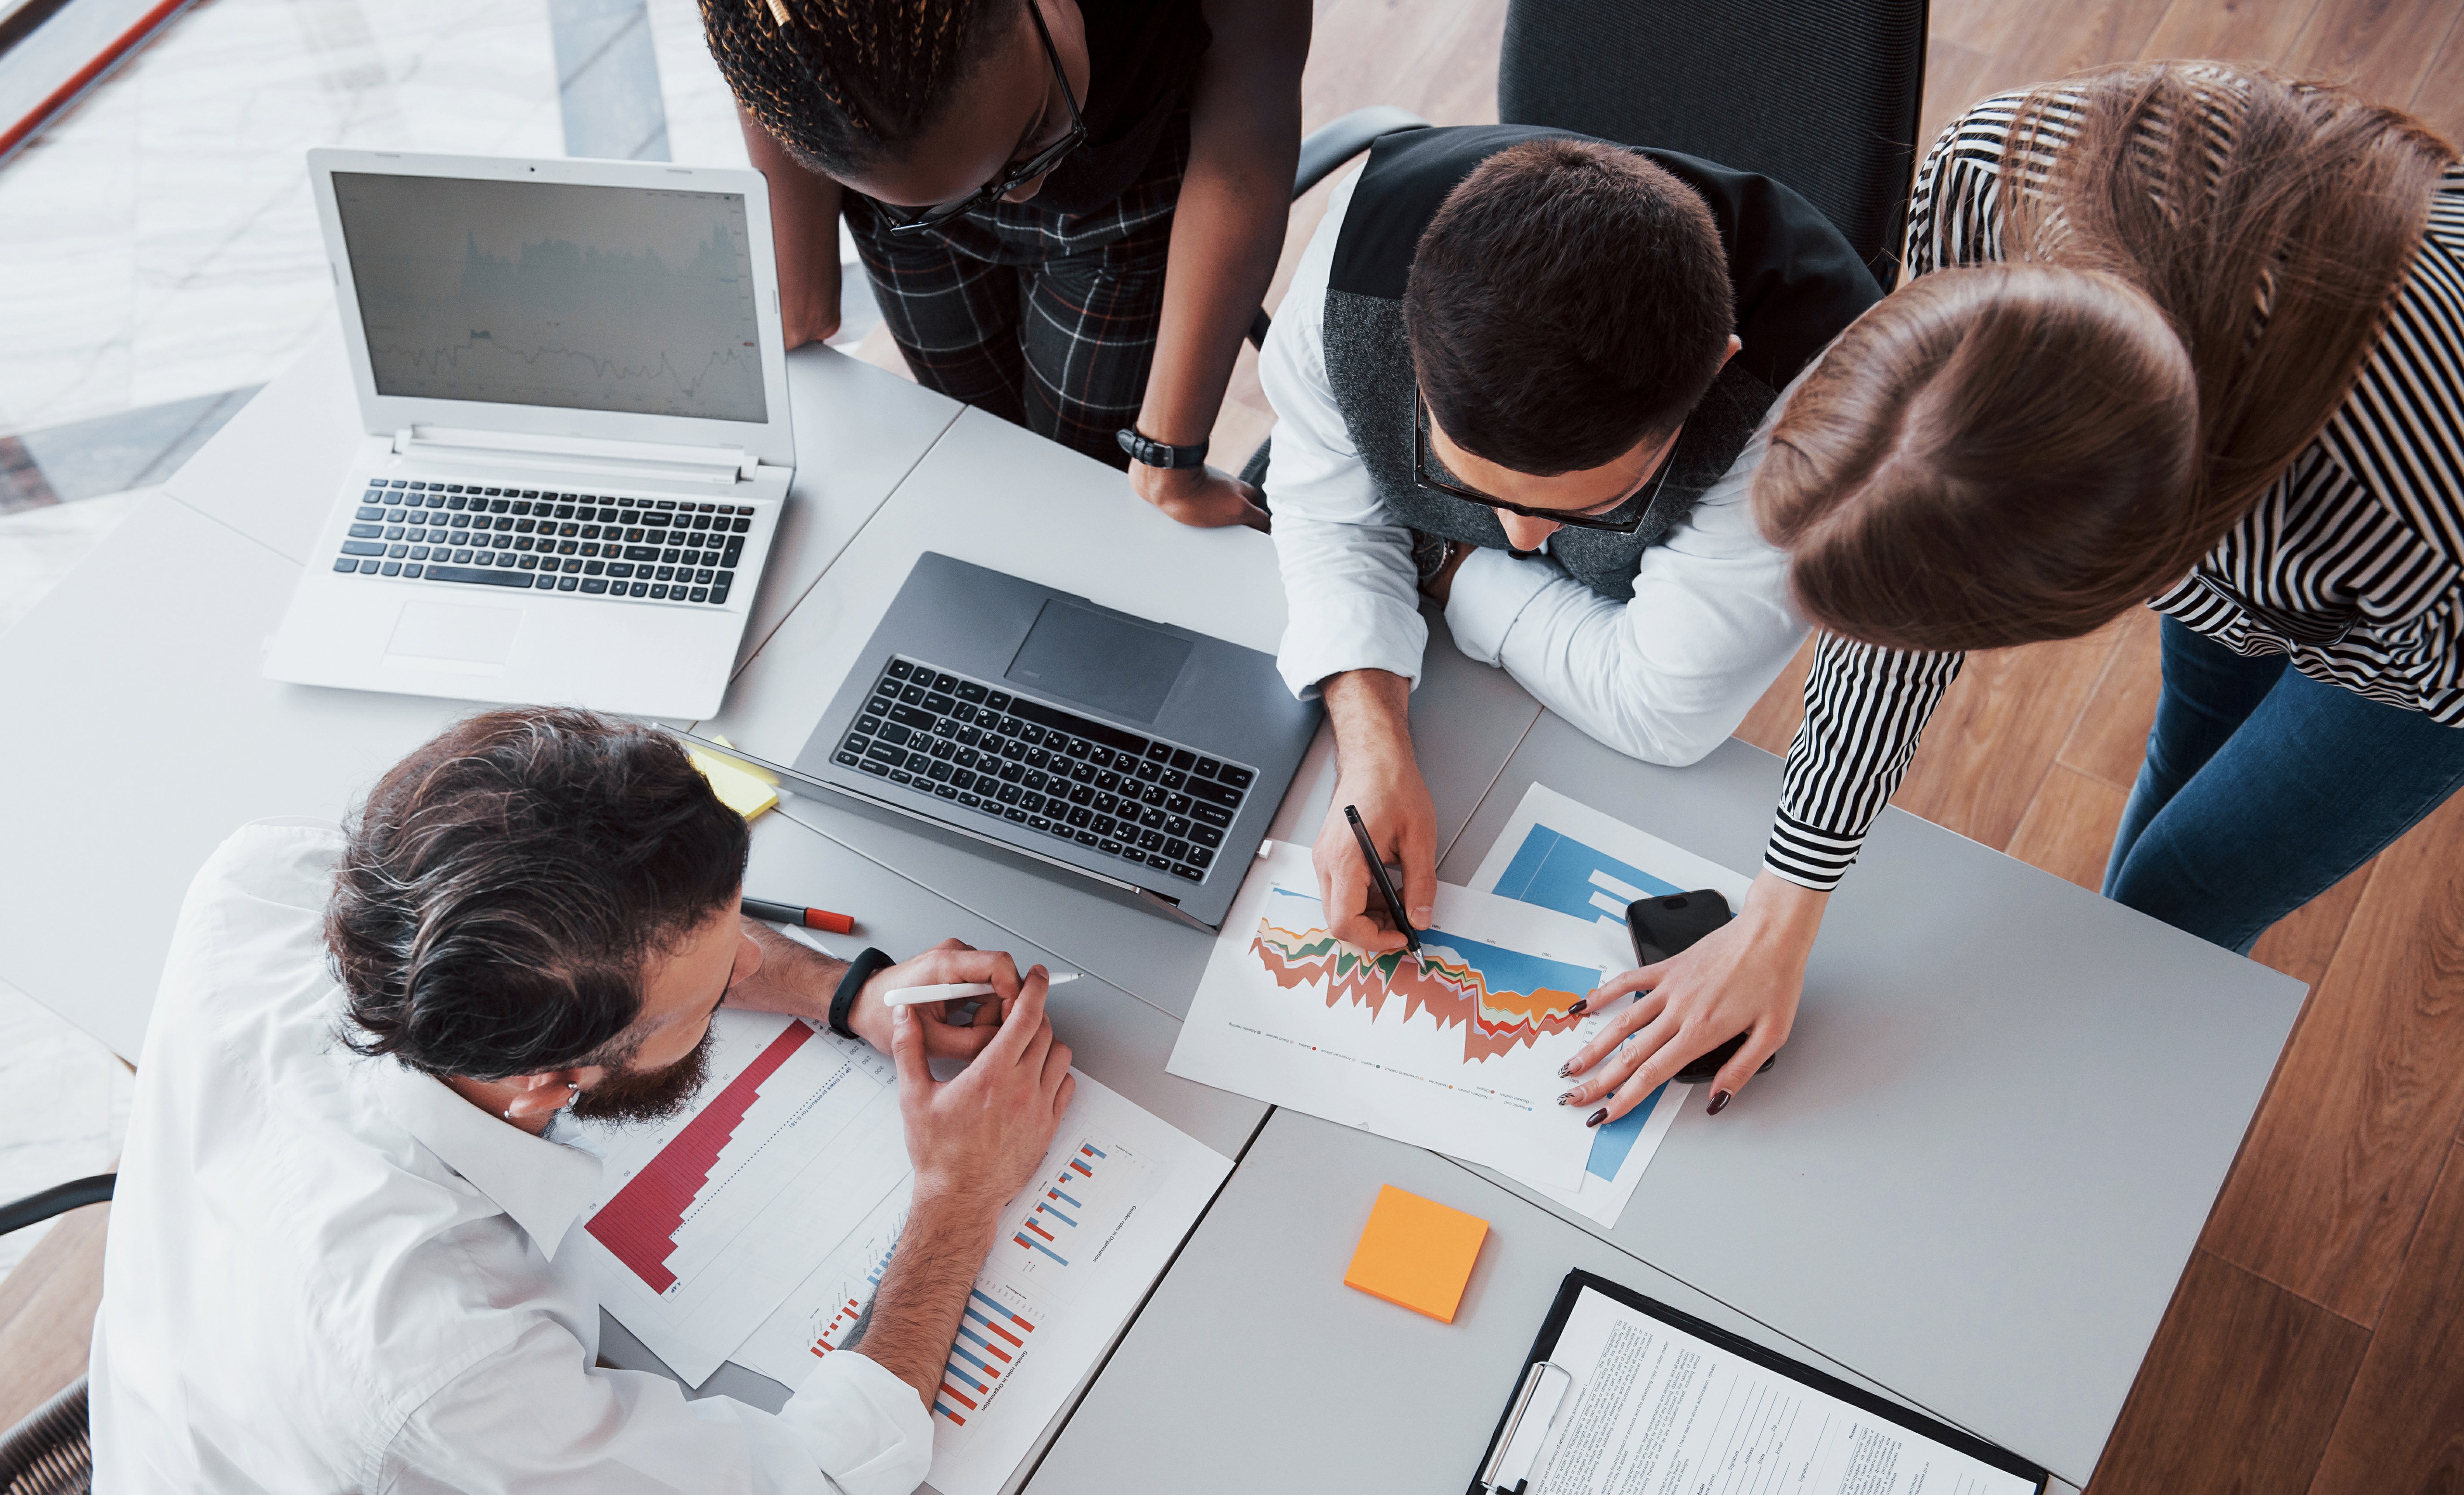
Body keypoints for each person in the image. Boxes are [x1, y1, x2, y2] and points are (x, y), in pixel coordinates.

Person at [1562, 64, 2464, 1125]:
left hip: (2425, 640)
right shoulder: (1989, 174)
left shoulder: (2406, 517)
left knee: (2180, 894)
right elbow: (1911, 543)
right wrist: (1780, 907)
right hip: (2256, 505)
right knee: (2193, 733)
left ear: (2097, 590)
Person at [88, 708, 1075, 1495]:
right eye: (705, 992)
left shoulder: (270, 881)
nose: (741, 967)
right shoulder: (444, 1357)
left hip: (195, 1409)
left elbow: (586, 908)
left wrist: (841, 990)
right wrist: (959, 1196)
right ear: (548, 1084)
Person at [1259, 127, 1881, 954]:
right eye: (1463, 483)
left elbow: (1660, 709)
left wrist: (1439, 558)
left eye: (1587, 503)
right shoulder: (1348, 278)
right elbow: (1326, 516)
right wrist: (1372, 750)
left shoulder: (1814, 407)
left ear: (1713, 374)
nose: (1513, 537)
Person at [700, 0, 1307, 530]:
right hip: (907, 217)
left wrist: (1167, 456)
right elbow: (769, 45)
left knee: (1077, 490)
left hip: (1123, 187)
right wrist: (794, 287)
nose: (1018, 193)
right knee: (987, 461)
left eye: (1040, 125)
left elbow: (1245, 150)